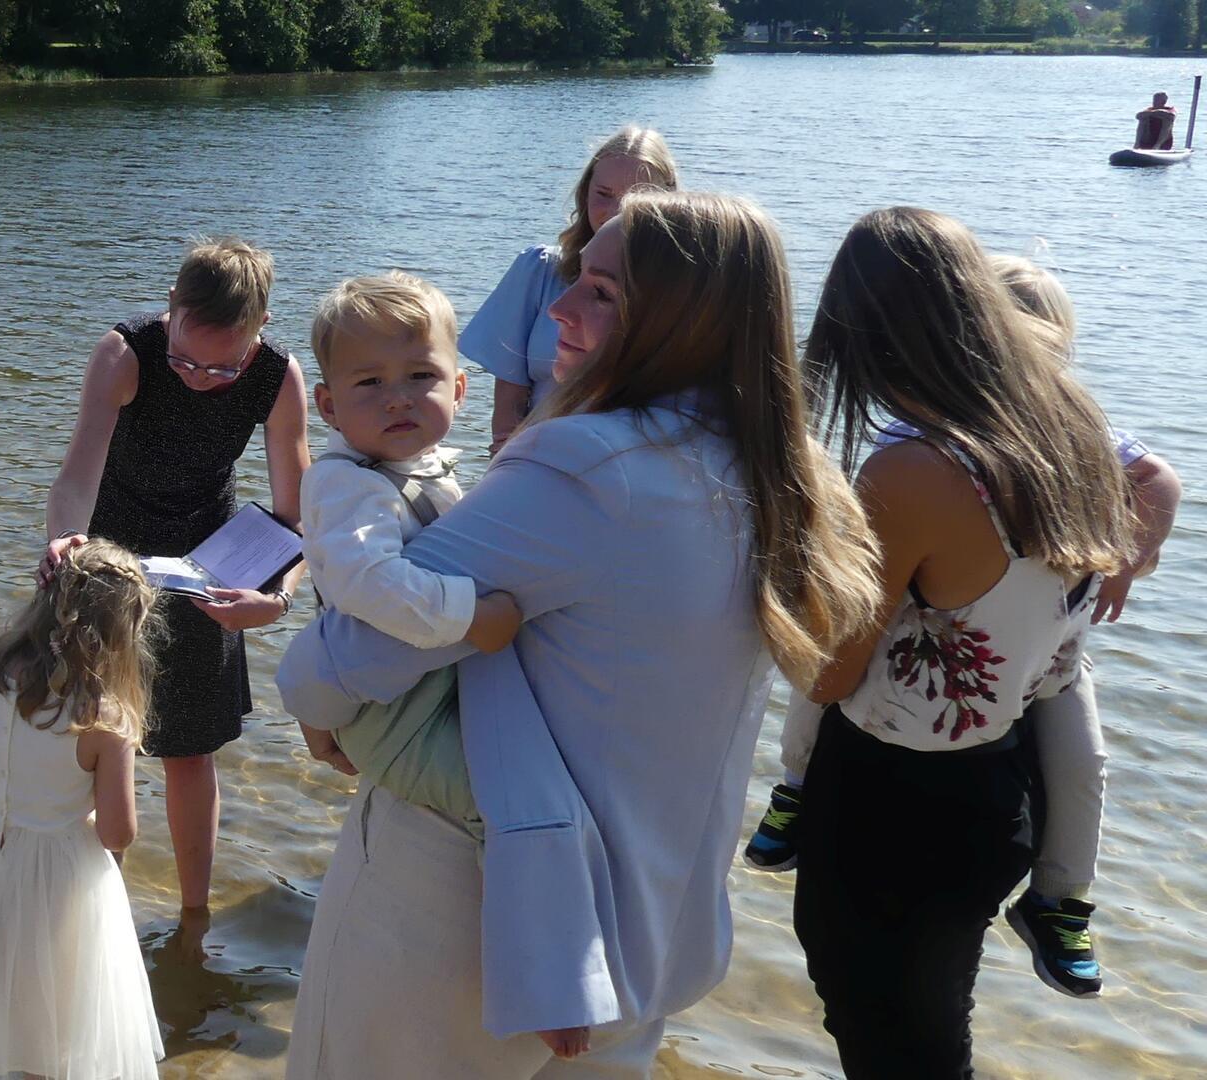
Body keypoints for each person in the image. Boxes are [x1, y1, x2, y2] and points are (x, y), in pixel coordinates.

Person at [277, 190, 879, 1077]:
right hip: (650, 921)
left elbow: (353, 659)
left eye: (600, 290)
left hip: (471, 914)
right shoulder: (785, 475)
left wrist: (305, 694)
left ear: (680, 317)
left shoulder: (587, 467)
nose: (558, 305)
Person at [743, 255, 1182, 1001]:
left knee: (1085, 765)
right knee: (824, 680)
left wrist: (1131, 559)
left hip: (1043, 666)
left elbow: (1160, 479)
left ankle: (1061, 900)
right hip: (954, 679)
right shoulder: (920, 436)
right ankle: (794, 788)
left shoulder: (1077, 427)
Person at [789, 208, 1137, 1077]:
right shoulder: (1073, 427)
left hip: (889, 805)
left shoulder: (912, 470)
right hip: (998, 788)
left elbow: (832, 673)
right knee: (932, 1028)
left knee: (885, 1032)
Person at [41, 237, 310, 914]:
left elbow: (295, 518)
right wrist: (64, 543)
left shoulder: (278, 378)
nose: (198, 376)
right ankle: (89, 914)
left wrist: (274, 599)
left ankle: (194, 919)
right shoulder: (125, 353)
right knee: (95, 744)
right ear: (171, 305)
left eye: (222, 370)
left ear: (260, 333)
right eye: (186, 359)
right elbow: (78, 473)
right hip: (110, 560)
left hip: (210, 566)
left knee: (190, 754)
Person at [0, 539, 166, 1080]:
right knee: (45, 1021)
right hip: (53, 875)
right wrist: (70, 809)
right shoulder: (102, 717)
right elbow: (117, 833)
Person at [296, 272, 524, 838]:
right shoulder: (351, 484)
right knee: (509, 807)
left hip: (412, 692)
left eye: (421, 375)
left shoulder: (412, 467)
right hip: (391, 719)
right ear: (328, 405)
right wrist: (472, 615)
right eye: (369, 382)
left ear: (460, 390)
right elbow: (367, 582)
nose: (397, 396)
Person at [459, 125, 679, 453]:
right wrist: (505, 456)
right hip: (536, 457)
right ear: (584, 192)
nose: (617, 212)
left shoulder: (680, 292)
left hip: (626, 465)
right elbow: (510, 384)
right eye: (604, 195)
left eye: (638, 198)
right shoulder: (541, 270)